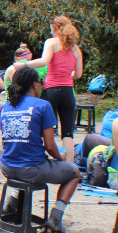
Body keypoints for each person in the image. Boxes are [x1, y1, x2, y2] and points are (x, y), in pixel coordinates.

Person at [0, 66, 81, 233]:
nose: (42, 86)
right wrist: (61, 159)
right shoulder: (43, 105)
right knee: (74, 172)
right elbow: (50, 146)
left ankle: (13, 200)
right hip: (31, 169)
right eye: (41, 82)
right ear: (35, 84)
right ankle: (56, 217)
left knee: (24, 165)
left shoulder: (6, 107)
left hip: (6, 166)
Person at [27, 16, 83, 163]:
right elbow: (78, 74)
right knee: (68, 133)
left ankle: (39, 160)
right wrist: (67, 73)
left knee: (45, 128)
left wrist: (25, 64)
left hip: (51, 90)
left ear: (56, 28)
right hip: (68, 92)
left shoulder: (51, 43)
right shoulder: (76, 49)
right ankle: (70, 167)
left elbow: (44, 61)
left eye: (50, 28)